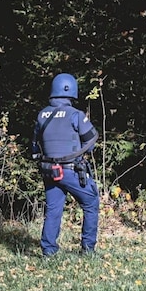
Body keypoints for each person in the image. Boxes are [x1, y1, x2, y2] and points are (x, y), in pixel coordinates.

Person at [31, 73, 100, 256]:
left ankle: (48, 250)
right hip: (70, 170)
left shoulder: (42, 114)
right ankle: (88, 249)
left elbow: (34, 145)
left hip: (49, 171)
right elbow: (91, 140)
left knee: (53, 209)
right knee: (91, 202)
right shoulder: (75, 115)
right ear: (72, 92)